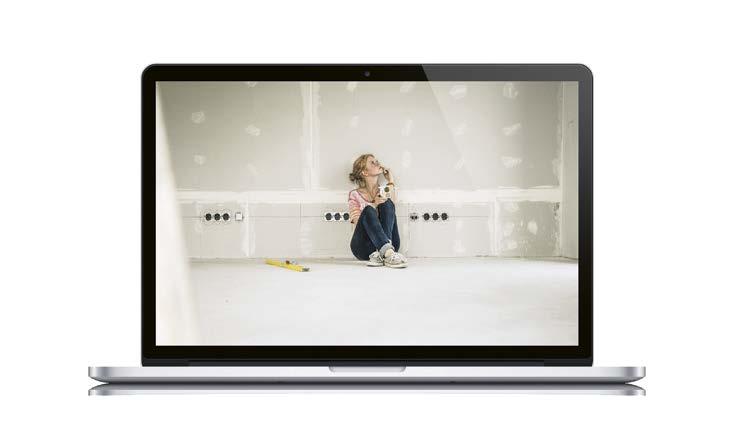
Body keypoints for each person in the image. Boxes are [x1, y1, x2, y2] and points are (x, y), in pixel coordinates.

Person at [347, 154, 408, 268]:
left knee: (387, 202)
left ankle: (387, 251)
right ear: (365, 172)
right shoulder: (354, 194)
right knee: (368, 210)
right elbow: (357, 221)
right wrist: (374, 204)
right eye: (372, 162)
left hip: (391, 243)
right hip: (364, 248)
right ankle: (387, 253)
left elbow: (391, 213)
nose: (377, 163)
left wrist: (390, 181)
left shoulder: (384, 191)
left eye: (377, 161)